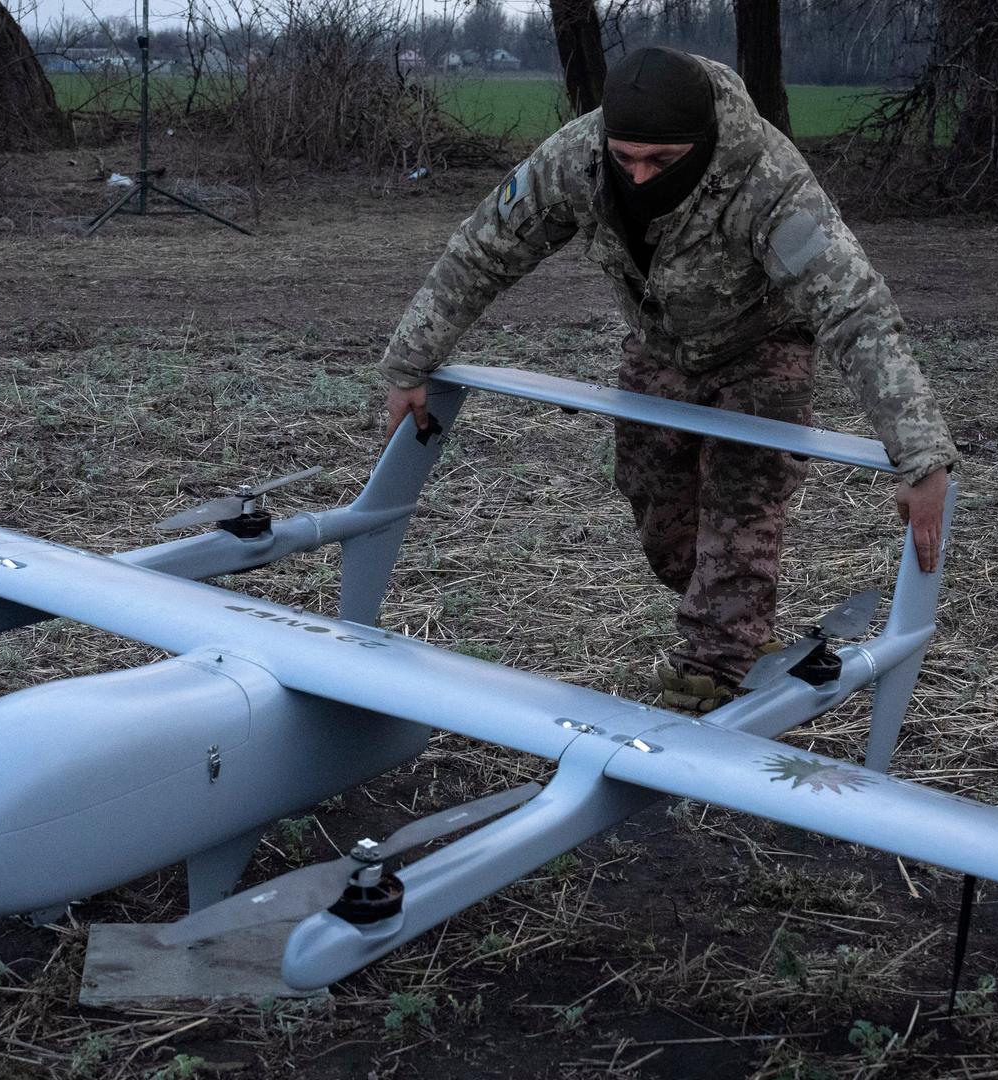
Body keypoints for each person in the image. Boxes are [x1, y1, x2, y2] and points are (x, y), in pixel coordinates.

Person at [377, 47, 959, 712]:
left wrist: (919, 454)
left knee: (738, 519)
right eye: (627, 158)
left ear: (704, 144)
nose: (640, 174)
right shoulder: (576, 160)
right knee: (662, 523)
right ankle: (739, 620)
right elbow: (485, 249)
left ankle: (705, 682)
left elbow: (855, 312)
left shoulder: (768, 183)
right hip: (659, 347)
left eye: (661, 161)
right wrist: (408, 363)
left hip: (763, 350)